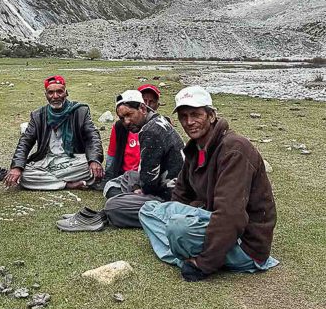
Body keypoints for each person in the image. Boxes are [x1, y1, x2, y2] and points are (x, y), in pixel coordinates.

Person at [139, 86, 279, 280]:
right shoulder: (195, 149)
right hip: (211, 218)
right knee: (148, 211)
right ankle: (185, 251)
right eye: (183, 116)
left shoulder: (234, 150)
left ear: (211, 116)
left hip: (244, 242)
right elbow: (181, 194)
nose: (189, 122)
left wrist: (204, 265)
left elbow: (231, 216)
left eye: (196, 114)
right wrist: (178, 211)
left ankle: (194, 256)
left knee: (178, 228)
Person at [59, 89, 184, 231]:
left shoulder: (150, 131)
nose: (127, 122)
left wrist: (140, 189)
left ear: (142, 108)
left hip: (170, 195)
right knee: (127, 177)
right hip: (166, 183)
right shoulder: (158, 120)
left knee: (113, 206)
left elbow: (149, 184)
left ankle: (102, 217)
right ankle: (122, 204)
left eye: (129, 115)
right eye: (122, 118)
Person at [4, 75, 103, 190]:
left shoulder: (80, 111)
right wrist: (17, 167)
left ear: (66, 92)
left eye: (59, 92)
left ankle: (50, 181)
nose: (55, 96)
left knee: (90, 167)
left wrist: (94, 160)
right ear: (46, 95)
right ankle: (68, 184)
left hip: (74, 159)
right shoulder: (38, 116)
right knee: (24, 176)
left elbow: (93, 137)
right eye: (50, 93)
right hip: (47, 160)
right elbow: (25, 142)